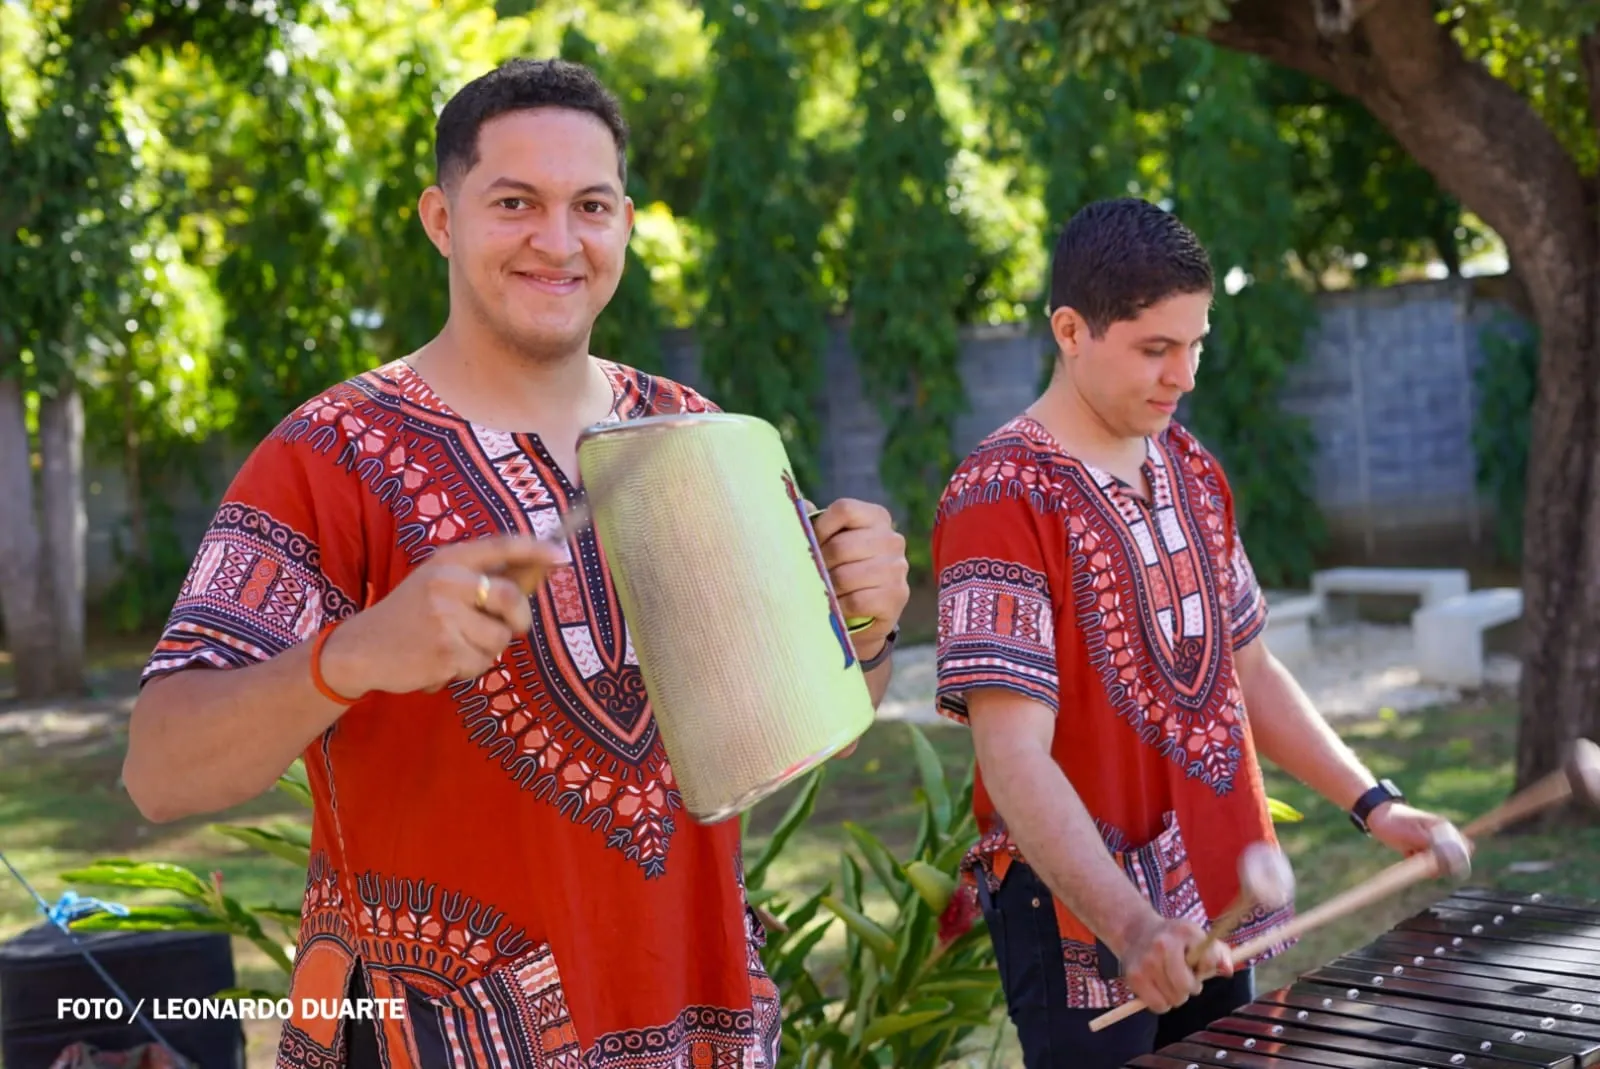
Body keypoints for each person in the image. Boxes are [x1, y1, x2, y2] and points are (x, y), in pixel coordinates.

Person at [122, 58, 910, 1069]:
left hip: (697, 1020)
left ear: (624, 219)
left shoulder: (692, 435)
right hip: (434, 1037)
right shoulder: (329, 456)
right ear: (442, 220)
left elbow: (803, 722)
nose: (558, 239)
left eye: (590, 204)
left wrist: (868, 627)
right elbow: (158, 768)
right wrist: (350, 655)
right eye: (513, 203)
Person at [929, 197, 1458, 1068]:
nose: (1185, 374)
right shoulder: (998, 497)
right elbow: (1013, 755)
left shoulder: (1191, 468)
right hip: (1083, 917)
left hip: (1215, 890)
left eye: (1196, 343)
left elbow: (1247, 665)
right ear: (1070, 329)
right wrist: (1130, 924)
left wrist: (1376, 803)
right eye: (1155, 348)